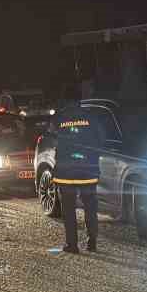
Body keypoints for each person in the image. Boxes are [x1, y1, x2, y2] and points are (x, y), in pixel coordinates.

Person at [51, 102, 101, 254]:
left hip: (66, 173)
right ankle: (92, 242)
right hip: (88, 171)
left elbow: (51, 138)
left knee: (68, 210)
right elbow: (101, 139)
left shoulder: (59, 118)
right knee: (90, 207)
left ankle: (72, 245)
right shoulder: (91, 117)